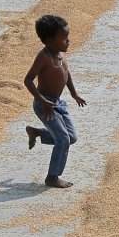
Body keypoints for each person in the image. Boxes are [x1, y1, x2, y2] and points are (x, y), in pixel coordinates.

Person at [24, 14, 85, 189]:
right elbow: (28, 80)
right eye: (64, 38)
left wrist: (74, 94)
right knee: (63, 139)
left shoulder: (62, 54)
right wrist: (42, 101)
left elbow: (66, 74)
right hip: (44, 105)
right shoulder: (43, 57)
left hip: (58, 103)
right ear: (50, 41)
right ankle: (52, 176)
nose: (68, 41)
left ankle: (37, 133)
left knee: (71, 137)